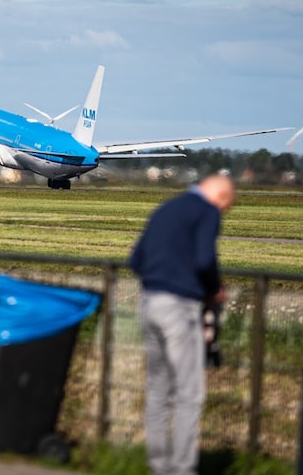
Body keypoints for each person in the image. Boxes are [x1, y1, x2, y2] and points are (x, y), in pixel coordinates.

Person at [129, 174, 235, 475]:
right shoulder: (207, 211)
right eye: (226, 208)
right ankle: (182, 468)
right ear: (220, 198)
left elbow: (136, 260)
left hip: (150, 302)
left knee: (158, 389)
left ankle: (158, 465)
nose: (223, 213)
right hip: (180, 308)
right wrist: (213, 289)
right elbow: (204, 260)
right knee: (189, 393)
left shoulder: (167, 208)